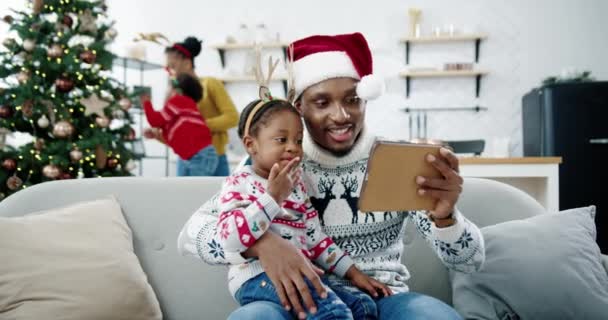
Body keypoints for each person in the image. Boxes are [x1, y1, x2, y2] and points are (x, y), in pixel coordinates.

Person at [178, 32, 485, 320]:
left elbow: (469, 262)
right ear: (299, 108)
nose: (341, 115)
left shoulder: (397, 161)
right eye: (322, 102)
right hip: (295, 299)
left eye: (352, 99)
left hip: (381, 297)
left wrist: (446, 219)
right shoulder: (275, 164)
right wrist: (261, 244)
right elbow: (189, 237)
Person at [217, 95, 392, 319]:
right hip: (257, 277)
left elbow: (314, 238)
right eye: (281, 140)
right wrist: (273, 197)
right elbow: (230, 239)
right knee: (332, 313)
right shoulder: (238, 183)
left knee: (364, 306)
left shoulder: (296, 186)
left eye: (298, 140)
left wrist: (354, 273)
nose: (293, 148)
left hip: (303, 273)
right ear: (251, 144)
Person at [145, 36, 238, 176]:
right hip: (184, 159)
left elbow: (232, 117)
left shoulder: (210, 84)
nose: (169, 71)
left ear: (188, 63)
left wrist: (197, 126)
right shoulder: (174, 95)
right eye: (167, 67)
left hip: (213, 158)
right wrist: (158, 136)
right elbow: (178, 134)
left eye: (172, 66)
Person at [142, 73, 217, 176]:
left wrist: (146, 103)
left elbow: (154, 120)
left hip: (199, 156)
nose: (166, 91)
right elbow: (177, 138)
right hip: (198, 156)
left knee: (191, 190)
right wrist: (155, 134)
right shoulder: (183, 108)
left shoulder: (179, 101)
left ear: (176, 91)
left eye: (169, 87)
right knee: (188, 189)